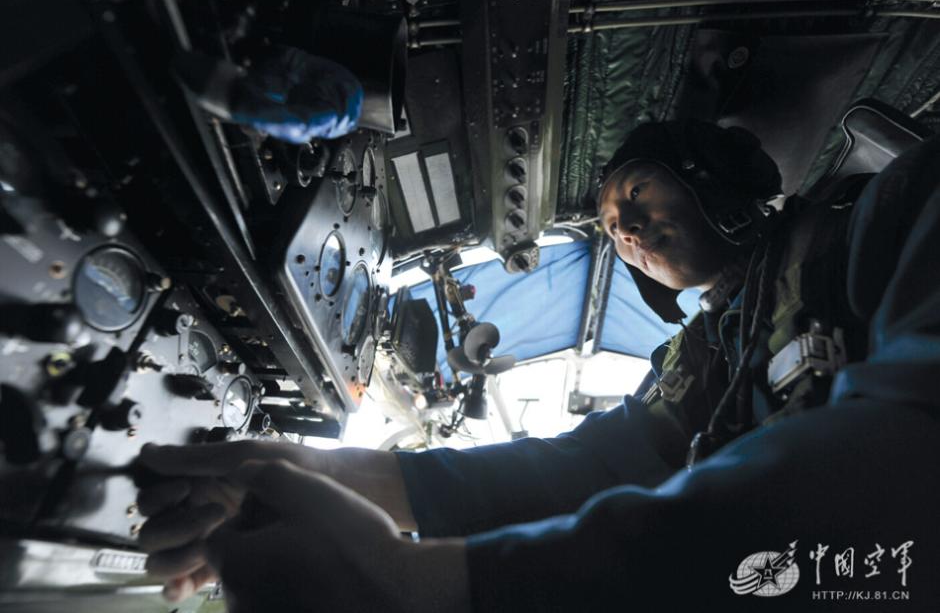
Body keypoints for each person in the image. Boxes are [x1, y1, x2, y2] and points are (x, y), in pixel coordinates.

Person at [136, 119, 940, 611]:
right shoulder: (702, 353)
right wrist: (307, 467)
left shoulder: (889, 214)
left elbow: (908, 486)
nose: (622, 229)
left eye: (635, 193)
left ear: (709, 180)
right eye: (611, 226)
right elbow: (582, 467)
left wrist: (439, 590)